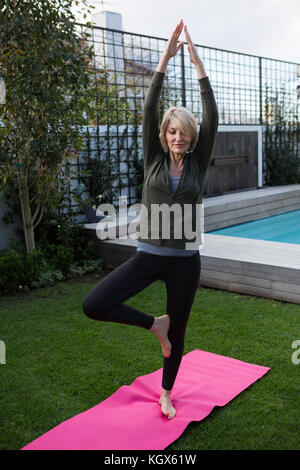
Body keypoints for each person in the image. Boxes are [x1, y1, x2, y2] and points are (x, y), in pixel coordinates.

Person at [82, 20, 218, 419]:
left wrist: (197, 64)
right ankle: (151, 324)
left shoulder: (198, 162)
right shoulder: (153, 158)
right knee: (95, 303)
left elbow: (211, 111)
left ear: (192, 137)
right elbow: (149, 105)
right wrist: (165, 58)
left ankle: (166, 392)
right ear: (164, 134)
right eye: (173, 131)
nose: (179, 137)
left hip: (185, 261)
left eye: (185, 133)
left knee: (179, 331)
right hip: (148, 256)